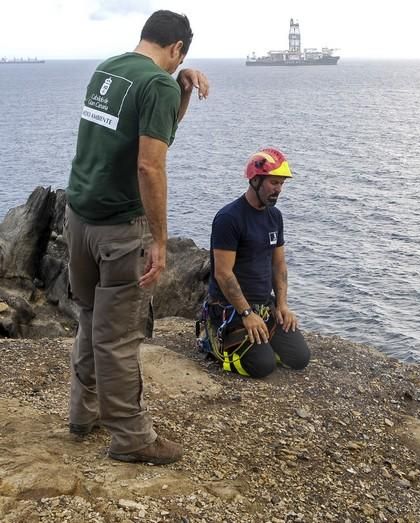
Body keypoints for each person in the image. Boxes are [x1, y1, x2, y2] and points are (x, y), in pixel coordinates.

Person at [64, 10, 209, 465]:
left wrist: (180, 92)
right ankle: (130, 437)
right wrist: (161, 241)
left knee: (91, 319)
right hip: (119, 231)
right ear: (177, 50)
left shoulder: (108, 68)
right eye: (179, 62)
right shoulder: (157, 83)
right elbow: (151, 164)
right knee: (120, 337)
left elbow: (155, 133)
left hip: (79, 219)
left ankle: (81, 414)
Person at [202, 147, 310, 378]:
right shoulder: (229, 218)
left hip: (264, 305)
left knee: (299, 358)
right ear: (255, 180)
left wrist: (282, 305)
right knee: (263, 366)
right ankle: (213, 342)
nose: (278, 190)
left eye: (281, 184)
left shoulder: (275, 216)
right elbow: (223, 273)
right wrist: (246, 313)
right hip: (231, 308)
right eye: (273, 183)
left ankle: (263, 341)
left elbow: (278, 265)